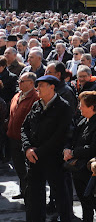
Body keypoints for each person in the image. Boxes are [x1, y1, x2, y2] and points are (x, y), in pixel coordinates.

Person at [21, 74, 73, 222]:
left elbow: (60, 135)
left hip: (53, 159)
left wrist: (38, 151)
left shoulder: (63, 107)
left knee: (61, 197)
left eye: (41, 86)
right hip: (34, 158)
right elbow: (25, 127)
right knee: (34, 197)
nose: (38, 89)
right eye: (38, 85)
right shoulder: (37, 105)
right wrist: (27, 148)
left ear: (52, 87)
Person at [64, 91, 96, 222]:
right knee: (84, 202)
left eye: (82, 105)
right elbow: (72, 138)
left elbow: (93, 148)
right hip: (78, 170)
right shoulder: (83, 120)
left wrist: (73, 152)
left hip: (91, 171)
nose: (79, 107)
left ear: (92, 107)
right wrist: (67, 149)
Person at [7, 72, 38, 200]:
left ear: (31, 83)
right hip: (13, 137)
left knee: (28, 171)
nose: (19, 83)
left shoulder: (35, 97)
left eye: (22, 81)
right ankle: (23, 190)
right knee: (19, 168)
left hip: (25, 140)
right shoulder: (17, 95)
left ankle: (29, 196)